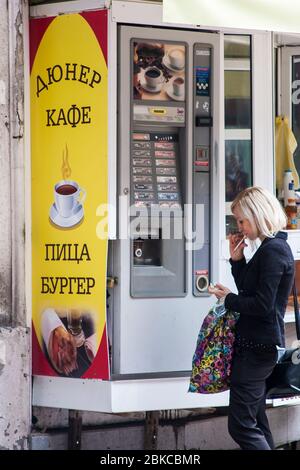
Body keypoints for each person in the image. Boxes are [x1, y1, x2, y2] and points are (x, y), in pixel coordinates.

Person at [208, 186, 295, 450]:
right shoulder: (270, 248)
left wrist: (228, 300)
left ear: (258, 216)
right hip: (257, 346)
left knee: (241, 425)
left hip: (258, 349)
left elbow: (262, 304)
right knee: (255, 420)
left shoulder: (274, 250)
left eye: (242, 220)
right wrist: (238, 261)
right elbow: (252, 290)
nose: (240, 227)